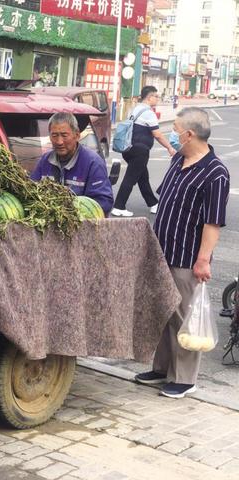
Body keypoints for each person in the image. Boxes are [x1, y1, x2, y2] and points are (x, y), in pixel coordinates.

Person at [135, 107, 230, 399]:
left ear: (189, 134)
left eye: (175, 131)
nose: (171, 136)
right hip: (161, 250)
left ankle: (185, 379)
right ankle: (161, 368)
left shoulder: (216, 173)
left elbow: (213, 222)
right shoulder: (179, 160)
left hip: (187, 257)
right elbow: (166, 199)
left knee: (185, 319)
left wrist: (203, 260)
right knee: (163, 314)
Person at [30, 112, 114, 216]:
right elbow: (31, 192)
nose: (59, 141)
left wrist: (71, 210)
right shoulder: (44, 161)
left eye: (64, 135)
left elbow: (104, 202)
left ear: (77, 135)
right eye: (54, 135)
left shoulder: (93, 162)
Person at [111, 86, 176, 217]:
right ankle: (118, 206)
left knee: (143, 178)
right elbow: (157, 134)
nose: (158, 99)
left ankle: (153, 204)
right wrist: (169, 147)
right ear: (149, 97)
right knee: (130, 179)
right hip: (139, 151)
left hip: (129, 149)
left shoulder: (135, 108)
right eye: (156, 96)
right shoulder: (148, 113)